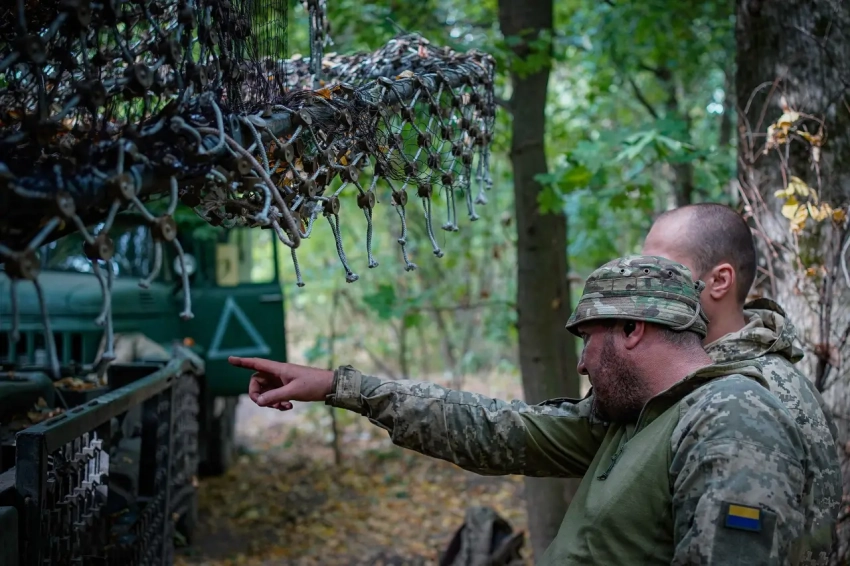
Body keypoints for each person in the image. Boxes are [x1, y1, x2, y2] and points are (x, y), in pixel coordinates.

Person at [230, 255, 817, 564]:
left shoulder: (730, 417)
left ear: (633, 329)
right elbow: (496, 431)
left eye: (587, 339)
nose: (583, 364)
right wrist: (340, 385)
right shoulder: (635, 415)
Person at [641, 202, 842, 554]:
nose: (644, 287)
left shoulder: (748, 401)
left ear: (719, 281)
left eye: (663, 273)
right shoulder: (698, 377)